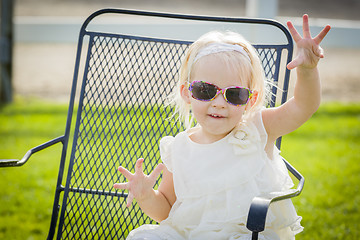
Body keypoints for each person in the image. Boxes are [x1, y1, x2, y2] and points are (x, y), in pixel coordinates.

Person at [113, 14, 331, 239]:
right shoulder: (179, 149)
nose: (218, 103)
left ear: (251, 100)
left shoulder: (258, 128)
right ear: (187, 93)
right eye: (205, 91)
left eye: (234, 94)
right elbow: (167, 213)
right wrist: (147, 195)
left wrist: (307, 70)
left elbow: (303, 106)